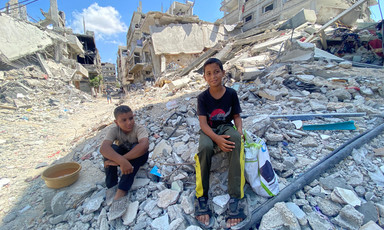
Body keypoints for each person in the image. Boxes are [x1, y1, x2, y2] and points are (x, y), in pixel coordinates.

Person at [194, 58, 246, 228]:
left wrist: (239, 130)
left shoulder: (231, 94)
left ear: (223, 73)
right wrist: (216, 139)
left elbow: (237, 117)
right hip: (209, 130)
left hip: (226, 127)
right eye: (208, 74)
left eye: (216, 72)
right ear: (204, 77)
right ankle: (202, 197)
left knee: (237, 142)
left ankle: (236, 197)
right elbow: (203, 124)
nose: (213, 76)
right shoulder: (202, 97)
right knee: (205, 147)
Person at [100, 105, 149, 200]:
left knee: (137, 148)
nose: (129, 122)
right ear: (116, 122)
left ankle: (122, 189)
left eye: (131, 118)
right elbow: (104, 148)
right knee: (112, 148)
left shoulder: (139, 129)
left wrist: (120, 161)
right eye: (124, 120)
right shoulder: (114, 130)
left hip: (139, 158)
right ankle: (111, 185)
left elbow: (144, 145)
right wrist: (122, 161)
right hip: (124, 157)